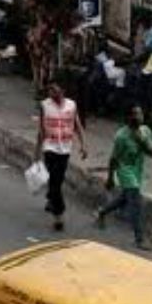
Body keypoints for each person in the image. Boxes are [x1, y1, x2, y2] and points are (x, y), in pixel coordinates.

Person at [95, 104, 152, 250]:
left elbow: (151, 152)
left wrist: (140, 139)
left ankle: (102, 212)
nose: (138, 117)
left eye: (140, 114)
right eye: (134, 114)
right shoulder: (121, 136)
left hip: (137, 170)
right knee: (136, 203)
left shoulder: (145, 131)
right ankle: (139, 239)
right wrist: (110, 178)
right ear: (128, 118)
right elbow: (113, 159)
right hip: (125, 170)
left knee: (124, 199)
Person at [36, 81, 88, 232]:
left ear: (63, 90)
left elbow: (77, 126)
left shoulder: (71, 105)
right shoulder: (44, 105)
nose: (51, 92)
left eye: (54, 89)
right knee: (54, 182)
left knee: (57, 180)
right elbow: (41, 128)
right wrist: (37, 151)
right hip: (49, 147)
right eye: (49, 89)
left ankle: (51, 199)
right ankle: (59, 216)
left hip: (65, 149)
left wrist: (84, 144)